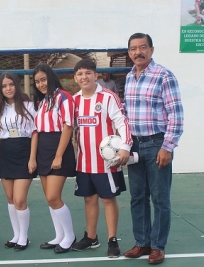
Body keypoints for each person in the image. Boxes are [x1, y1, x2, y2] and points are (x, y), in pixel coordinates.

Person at [123, 33, 184, 265]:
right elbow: (127, 114)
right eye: (133, 48)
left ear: (151, 49)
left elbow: (175, 115)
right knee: (137, 197)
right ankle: (142, 242)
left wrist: (167, 147)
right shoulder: (129, 77)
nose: (138, 52)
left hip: (157, 143)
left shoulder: (164, 76)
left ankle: (158, 246)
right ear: (129, 52)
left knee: (160, 198)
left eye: (143, 47)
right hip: (135, 146)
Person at [71, 59, 132, 258]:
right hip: (84, 161)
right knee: (89, 199)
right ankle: (91, 237)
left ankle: (112, 239)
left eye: (88, 73)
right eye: (80, 74)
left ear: (95, 75)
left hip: (106, 162)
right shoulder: (74, 100)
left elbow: (122, 122)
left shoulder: (108, 97)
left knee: (107, 199)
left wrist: (125, 147)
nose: (84, 77)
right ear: (75, 78)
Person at [0, 72, 38, 251]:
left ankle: (24, 237)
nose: (8, 88)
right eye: (4, 86)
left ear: (17, 86)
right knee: (10, 199)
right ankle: (16, 235)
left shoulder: (29, 106)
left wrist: (32, 158)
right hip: (5, 155)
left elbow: (35, 133)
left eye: (11, 84)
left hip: (24, 153)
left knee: (19, 199)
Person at [33, 63, 76, 254]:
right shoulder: (42, 101)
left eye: (43, 79)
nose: (41, 84)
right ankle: (59, 236)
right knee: (49, 199)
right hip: (43, 149)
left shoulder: (63, 97)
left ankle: (70, 236)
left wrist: (59, 155)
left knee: (53, 196)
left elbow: (68, 126)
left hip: (58, 148)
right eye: (37, 82)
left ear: (51, 77)